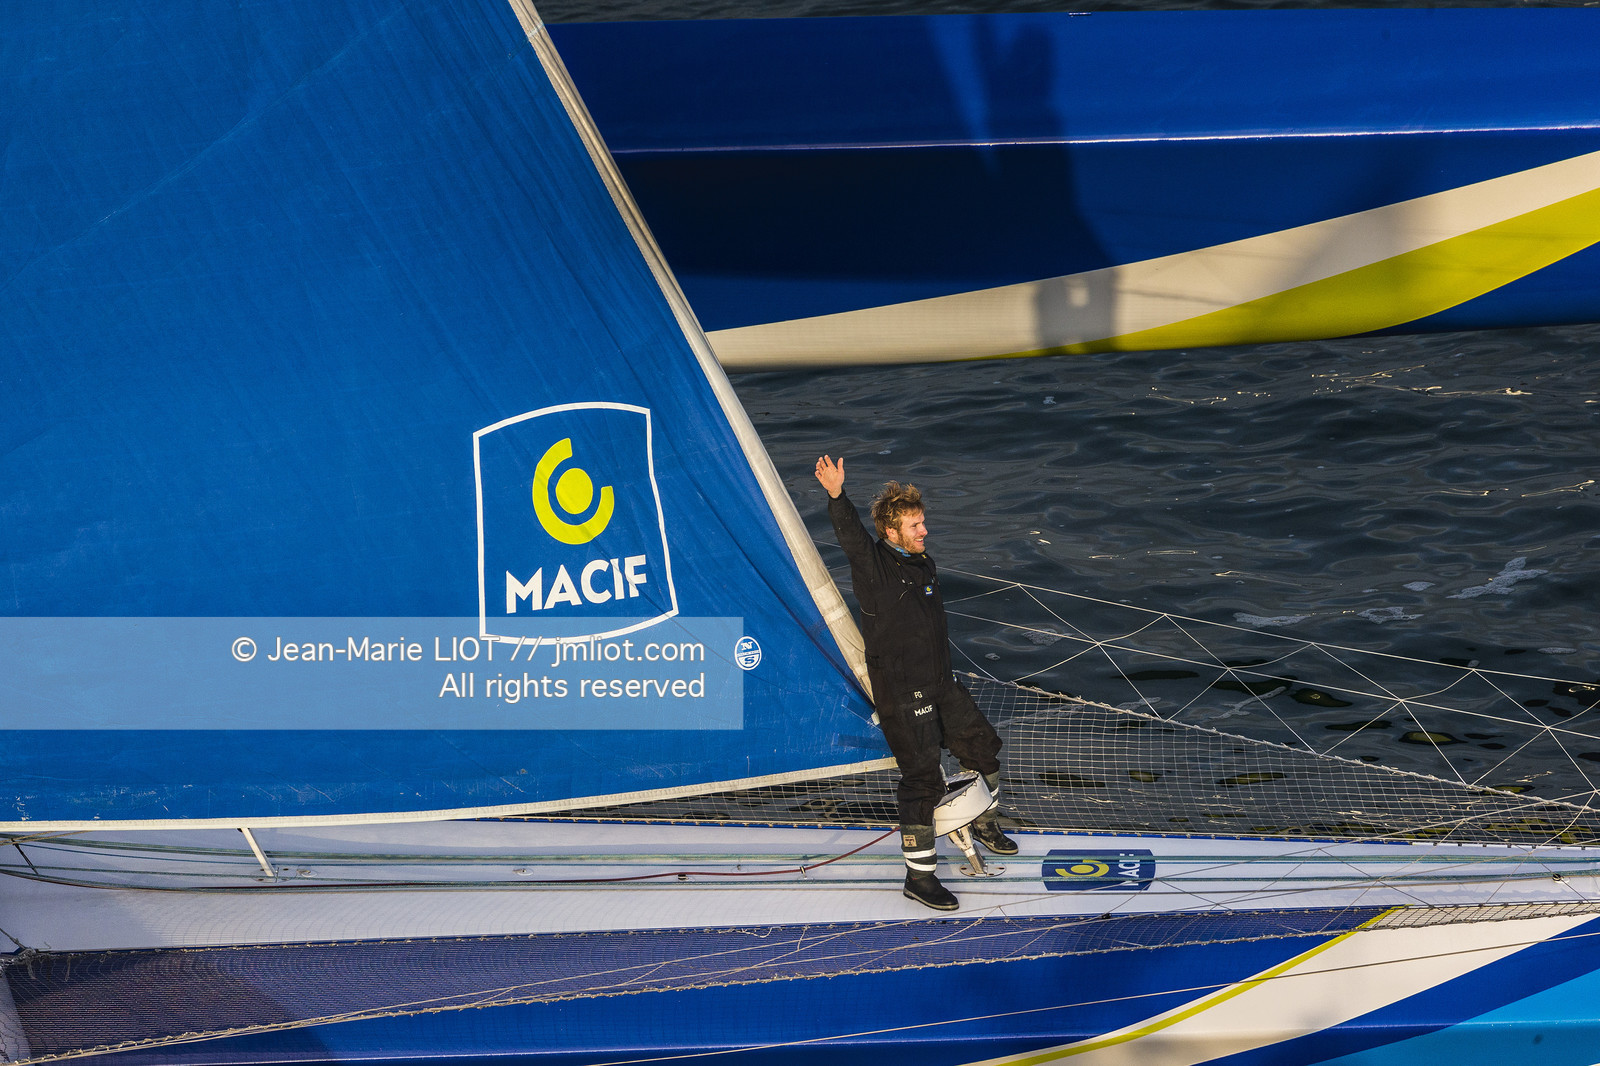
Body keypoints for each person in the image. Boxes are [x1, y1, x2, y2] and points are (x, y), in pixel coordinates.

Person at [814, 454, 1015, 912]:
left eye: (923, 523)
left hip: (941, 682)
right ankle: (919, 879)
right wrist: (836, 496)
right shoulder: (874, 565)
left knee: (982, 745)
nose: (924, 531)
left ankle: (984, 821)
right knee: (923, 778)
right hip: (904, 694)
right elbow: (850, 538)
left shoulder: (923, 563)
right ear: (891, 532)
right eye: (915, 526)